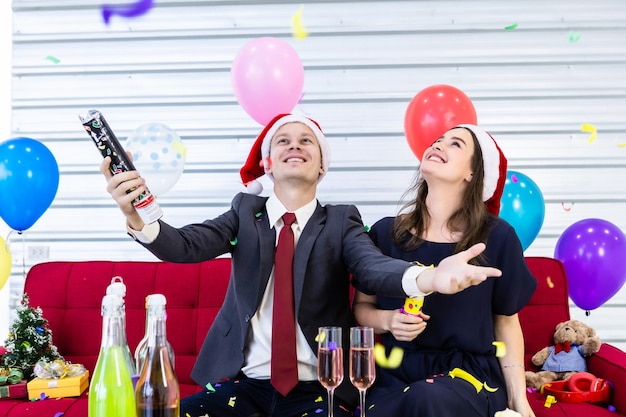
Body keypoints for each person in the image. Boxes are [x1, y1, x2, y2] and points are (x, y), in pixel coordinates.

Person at [101, 114, 503, 417]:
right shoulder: (243, 213)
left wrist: (429, 277)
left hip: (322, 388)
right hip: (245, 384)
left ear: (322, 166)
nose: (295, 145)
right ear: (268, 162)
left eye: (307, 140)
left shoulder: (341, 220)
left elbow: (371, 267)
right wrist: (137, 216)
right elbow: (185, 244)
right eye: (284, 141)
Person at [351, 124, 538, 417]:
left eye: (455, 144)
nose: (438, 144)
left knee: (426, 398)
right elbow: (361, 308)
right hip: (394, 374)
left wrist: (519, 400)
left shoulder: (498, 237)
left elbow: (506, 324)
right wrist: (388, 321)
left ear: (473, 174)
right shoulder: (385, 233)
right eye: (437, 140)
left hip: (468, 376)